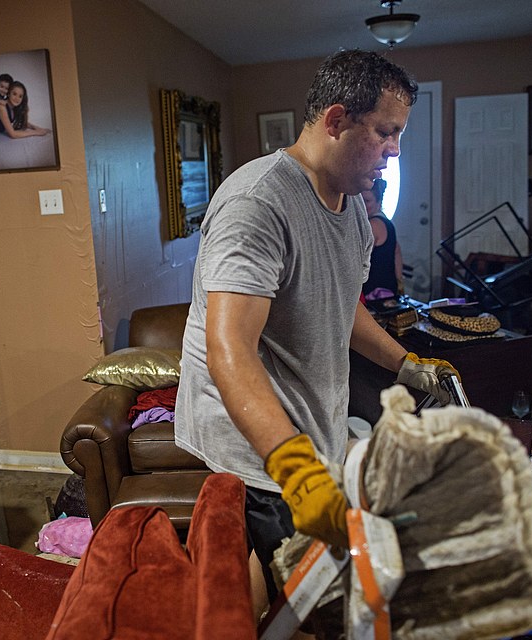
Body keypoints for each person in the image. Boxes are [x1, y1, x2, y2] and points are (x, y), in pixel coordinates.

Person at [174, 49, 458, 614]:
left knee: (297, 583)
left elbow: (341, 307)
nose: (395, 150)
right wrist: (296, 468)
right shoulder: (258, 203)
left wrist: (407, 363)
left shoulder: (351, 205)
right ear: (335, 120)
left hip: (314, 423)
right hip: (255, 444)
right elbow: (227, 349)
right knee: (301, 597)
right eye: (385, 133)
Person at [361, 178, 404, 301]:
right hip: (389, 289)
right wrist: (400, 283)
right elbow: (397, 252)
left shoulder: (373, 225)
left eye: (367, 201)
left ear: (379, 202)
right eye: (361, 201)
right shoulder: (388, 223)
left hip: (374, 292)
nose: (363, 205)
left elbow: (360, 258)